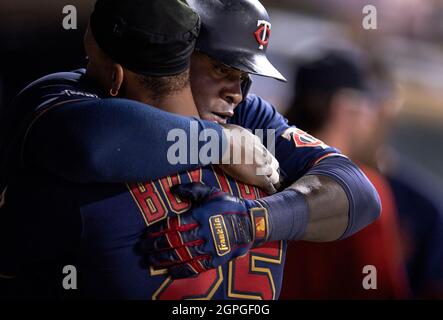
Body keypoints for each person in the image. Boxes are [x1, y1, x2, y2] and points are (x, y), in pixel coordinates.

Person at [0, 0, 380, 299]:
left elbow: (360, 193)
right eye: (221, 68)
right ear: (181, 51)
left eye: (245, 77)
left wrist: (250, 223)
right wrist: (220, 143)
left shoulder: (247, 113)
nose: (236, 91)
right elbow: (91, 141)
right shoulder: (81, 95)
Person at [280, 48, 443, 299]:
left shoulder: (256, 172)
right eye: (367, 105)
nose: (371, 118)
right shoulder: (362, 188)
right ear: (344, 108)